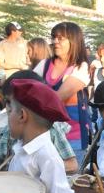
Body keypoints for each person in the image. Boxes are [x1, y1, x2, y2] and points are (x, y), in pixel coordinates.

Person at [35, 22, 92, 165]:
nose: (55, 42)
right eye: (53, 37)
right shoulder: (44, 65)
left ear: (73, 41)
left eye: (61, 38)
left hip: (72, 138)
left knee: (68, 182)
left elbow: (57, 98)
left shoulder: (81, 67)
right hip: (46, 136)